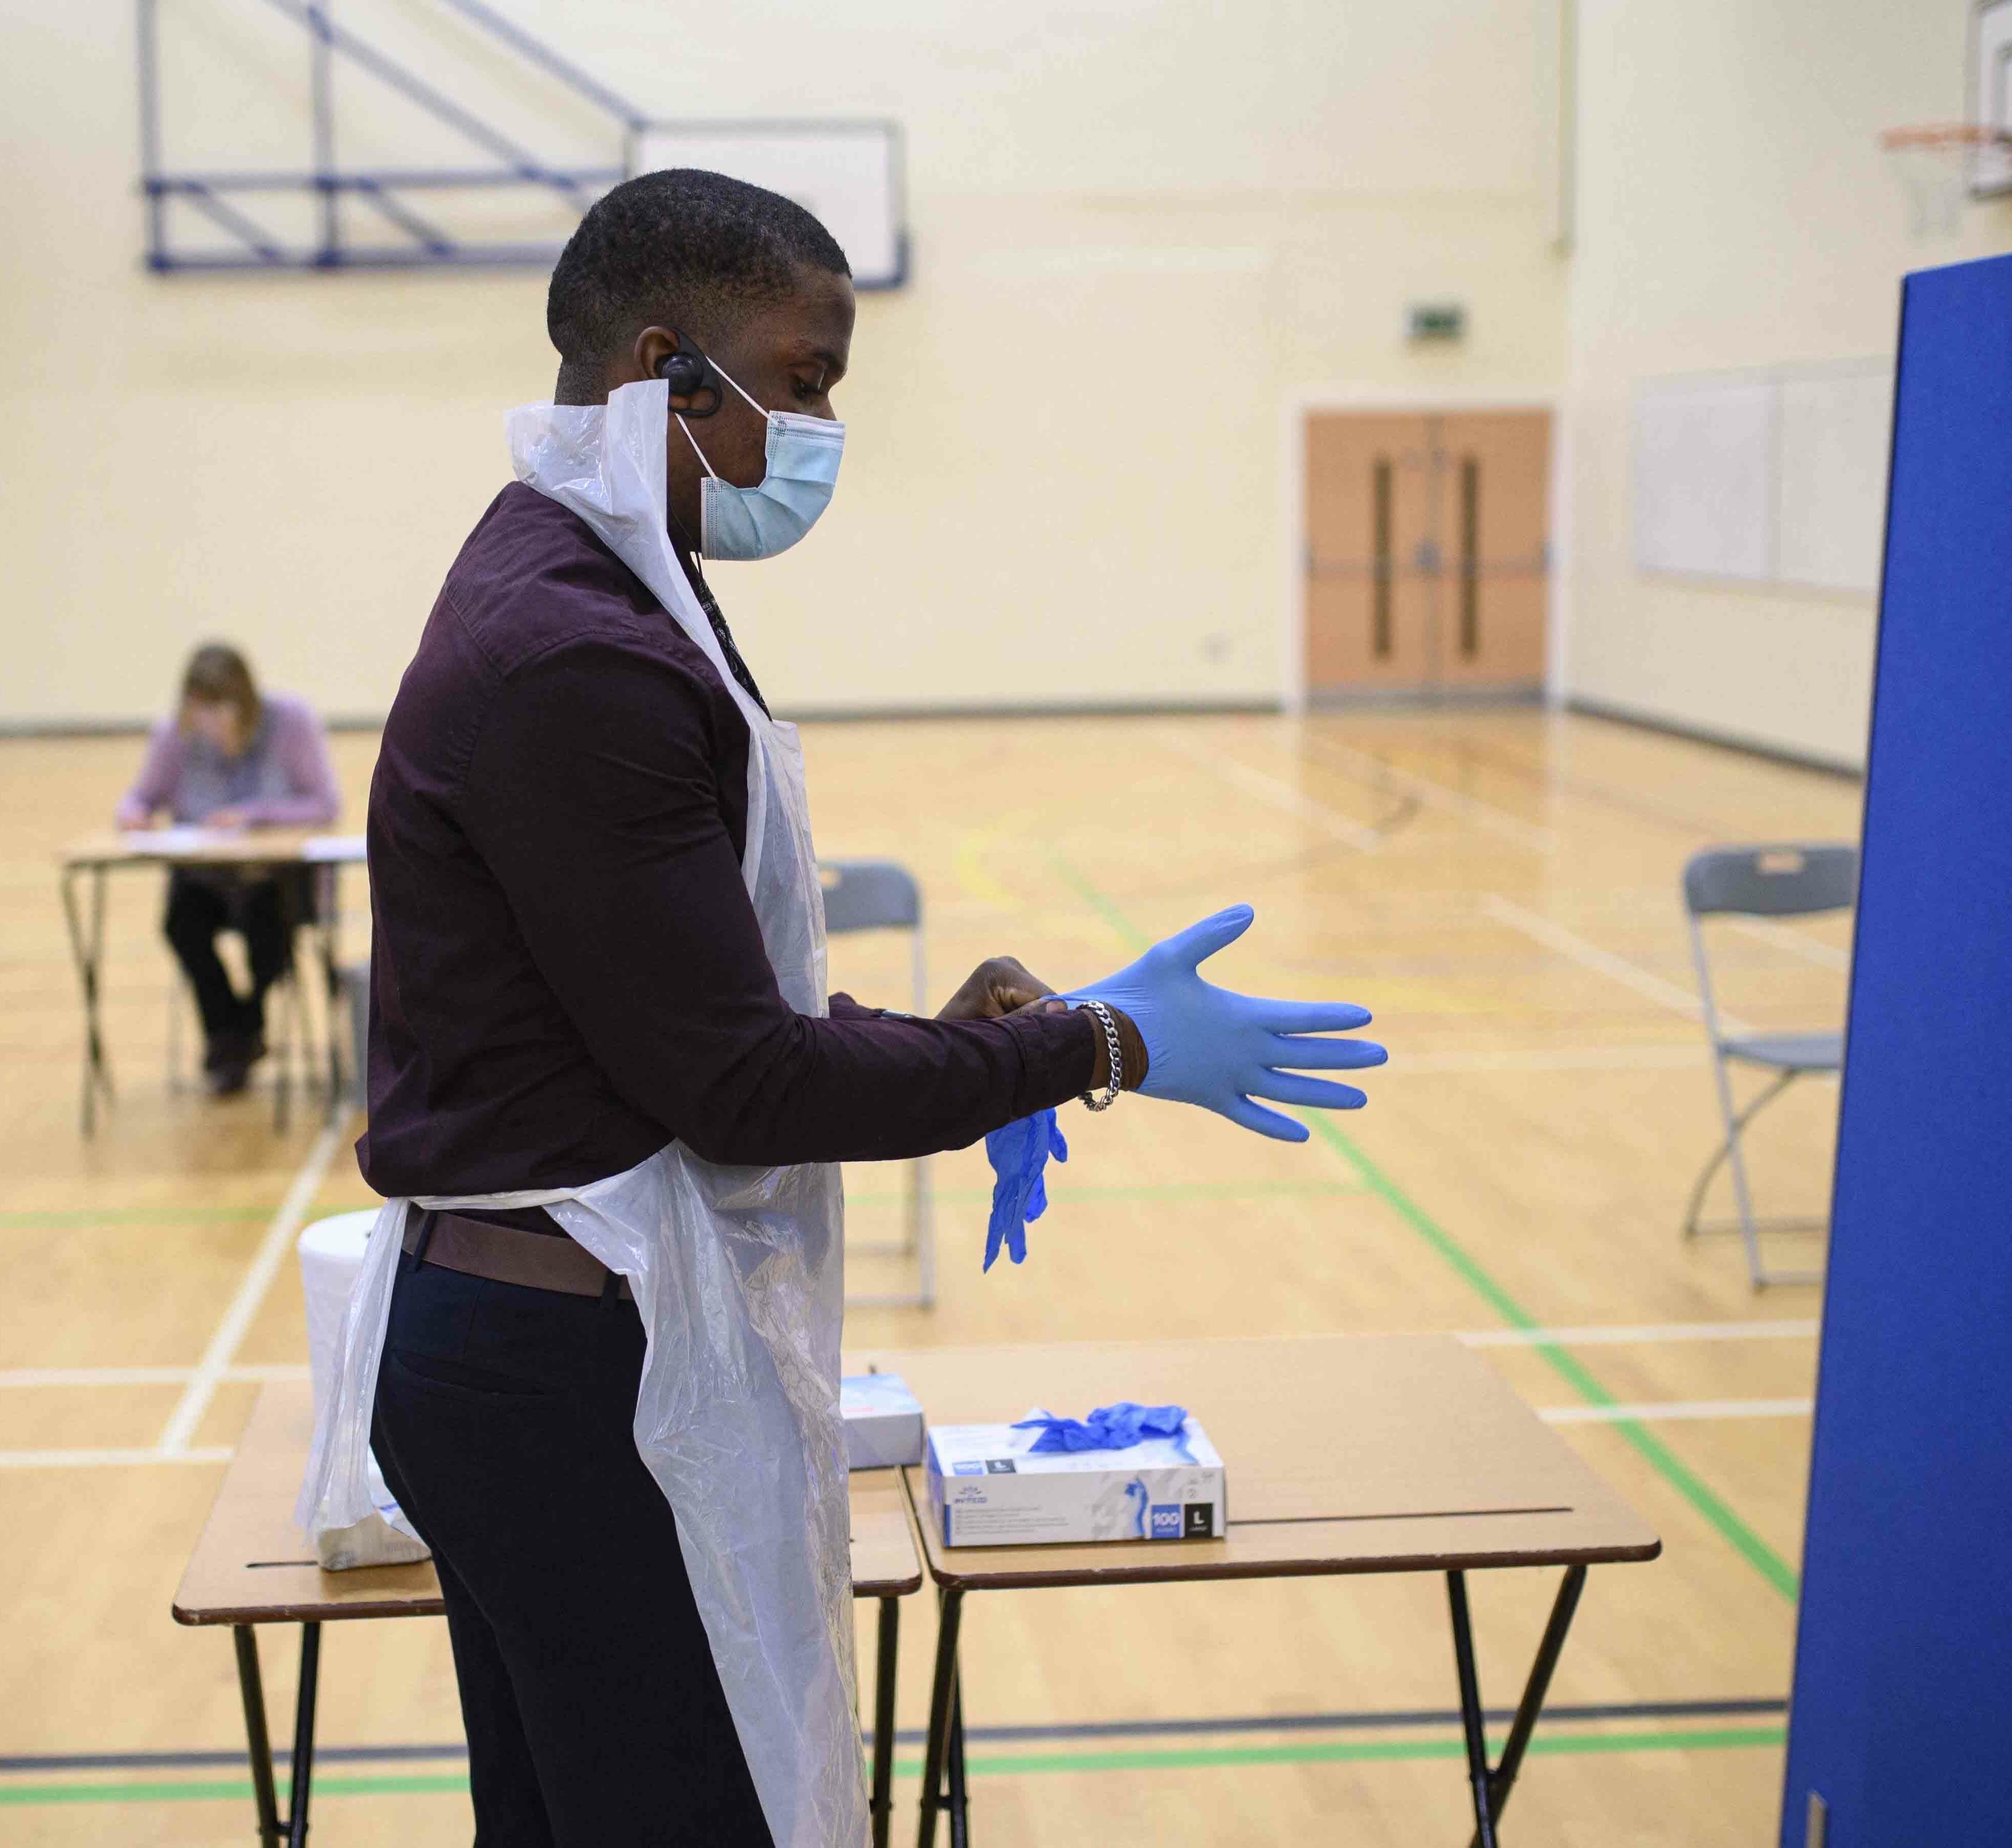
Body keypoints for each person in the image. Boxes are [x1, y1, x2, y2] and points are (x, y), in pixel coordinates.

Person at [303, 171, 1384, 1848]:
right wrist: (1097, 1044)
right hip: (561, 1374)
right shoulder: (575, 649)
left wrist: (961, 1036)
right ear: (664, 370)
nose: (814, 431)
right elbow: (738, 1086)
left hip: (546, 1341)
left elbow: (675, 1015)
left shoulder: (585, 577)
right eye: (799, 382)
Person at [115, 642, 341, 1094]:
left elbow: (325, 804)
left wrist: (255, 815)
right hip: (206, 883)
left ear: (243, 702)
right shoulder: (173, 737)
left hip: (270, 881)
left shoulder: (290, 723)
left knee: (269, 927)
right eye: (199, 709)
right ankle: (233, 1033)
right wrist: (134, 814)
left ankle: (241, 1029)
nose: (208, 722)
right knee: (182, 925)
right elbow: (140, 797)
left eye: (218, 708)